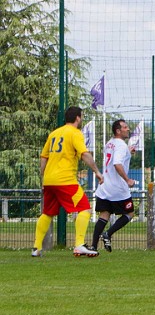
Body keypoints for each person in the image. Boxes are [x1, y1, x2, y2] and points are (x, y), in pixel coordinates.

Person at [32, 106, 104, 258]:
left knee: (47, 213)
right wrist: (97, 171)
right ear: (78, 118)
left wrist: (43, 175)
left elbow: (44, 156)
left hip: (50, 180)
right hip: (65, 180)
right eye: (81, 116)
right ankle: (79, 245)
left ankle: (36, 248)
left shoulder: (54, 133)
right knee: (84, 208)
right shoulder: (75, 133)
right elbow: (84, 154)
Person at [89, 119, 136, 252]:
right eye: (125, 127)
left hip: (105, 186)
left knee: (104, 215)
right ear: (118, 131)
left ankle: (93, 246)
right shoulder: (121, 145)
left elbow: (114, 156)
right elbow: (117, 164)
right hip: (118, 188)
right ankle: (108, 234)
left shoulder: (110, 143)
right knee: (130, 213)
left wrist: (128, 151)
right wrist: (127, 180)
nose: (128, 129)